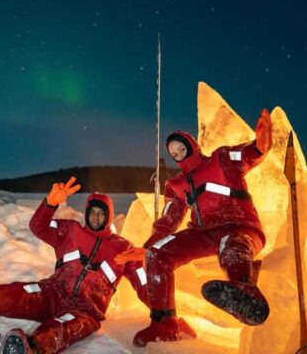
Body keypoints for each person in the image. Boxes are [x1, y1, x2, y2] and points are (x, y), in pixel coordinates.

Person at [0, 177, 151, 354]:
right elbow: (38, 226)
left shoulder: (124, 248)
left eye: (101, 213)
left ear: (109, 216)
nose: (95, 217)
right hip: (52, 292)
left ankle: (32, 348)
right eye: (92, 212)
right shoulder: (71, 230)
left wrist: (150, 258)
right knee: (18, 293)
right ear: (86, 212)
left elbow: (145, 287)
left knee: (63, 327)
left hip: (85, 311)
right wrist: (50, 203)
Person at [116, 108, 273, 346]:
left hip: (239, 226)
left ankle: (244, 292)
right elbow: (169, 220)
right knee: (158, 255)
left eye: (181, 148)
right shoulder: (176, 185)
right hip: (202, 232)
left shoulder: (222, 160)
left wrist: (261, 144)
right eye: (174, 154)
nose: (179, 154)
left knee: (230, 245)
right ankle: (165, 324)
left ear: (192, 145)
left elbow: (250, 154)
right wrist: (147, 248)